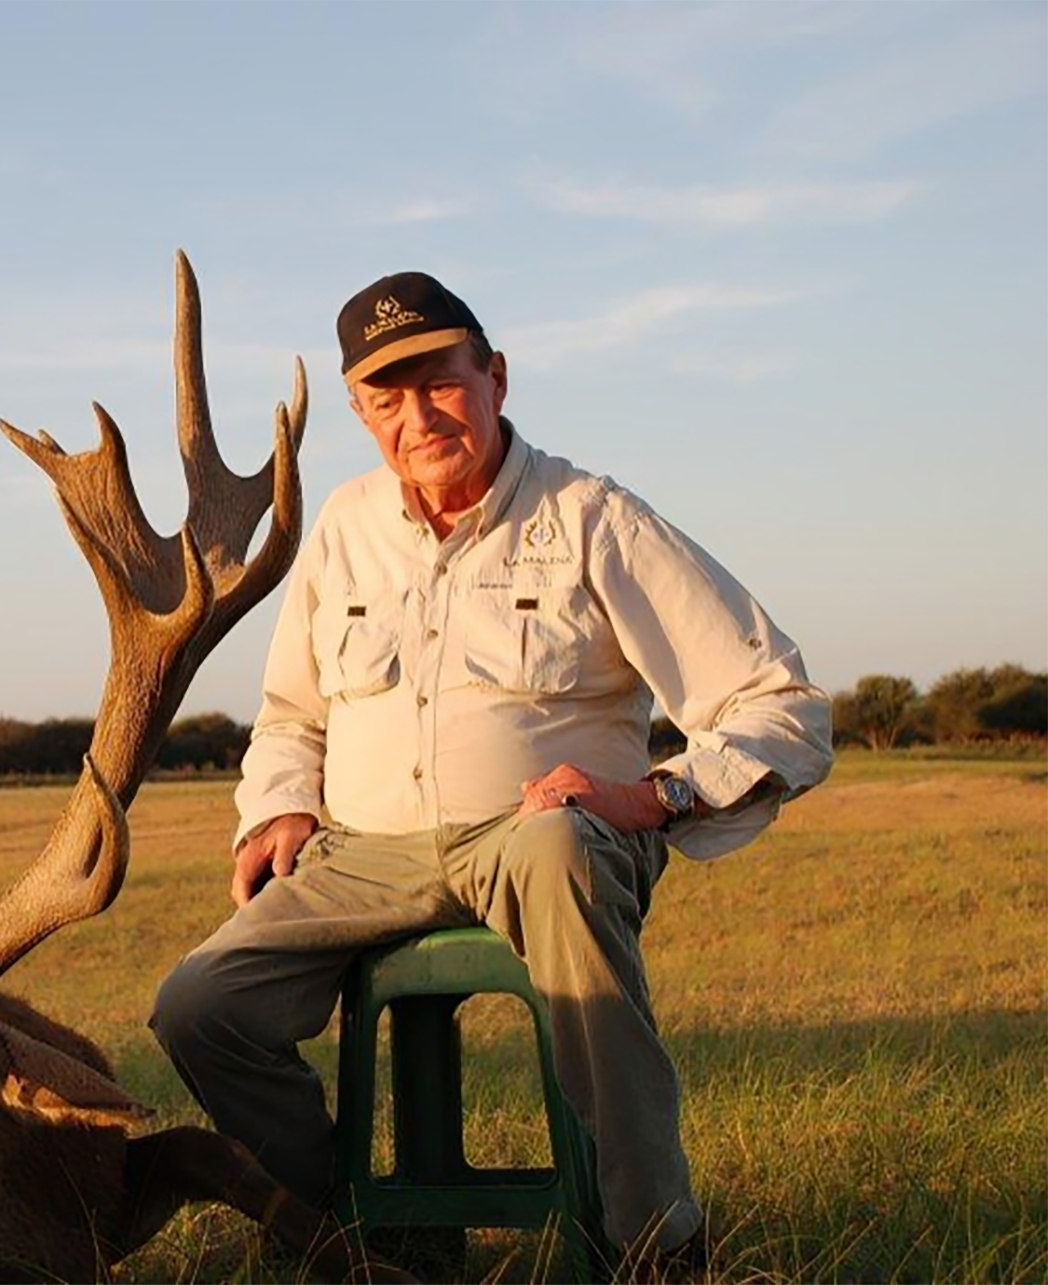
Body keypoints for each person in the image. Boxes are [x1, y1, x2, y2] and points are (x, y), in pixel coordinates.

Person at [149, 271, 833, 1265]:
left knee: (556, 846)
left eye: (441, 381)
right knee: (198, 1006)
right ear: (359, 412)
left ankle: (655, 1243)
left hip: (539, 841)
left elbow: (781, 702)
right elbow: (292, 713)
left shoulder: (590, 515)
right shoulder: (344, 525)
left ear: (496, 377)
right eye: (387, 398)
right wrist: (281, 806)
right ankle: (337, 1239)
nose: (419, 417)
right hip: (366, 855)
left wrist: (659, 794)